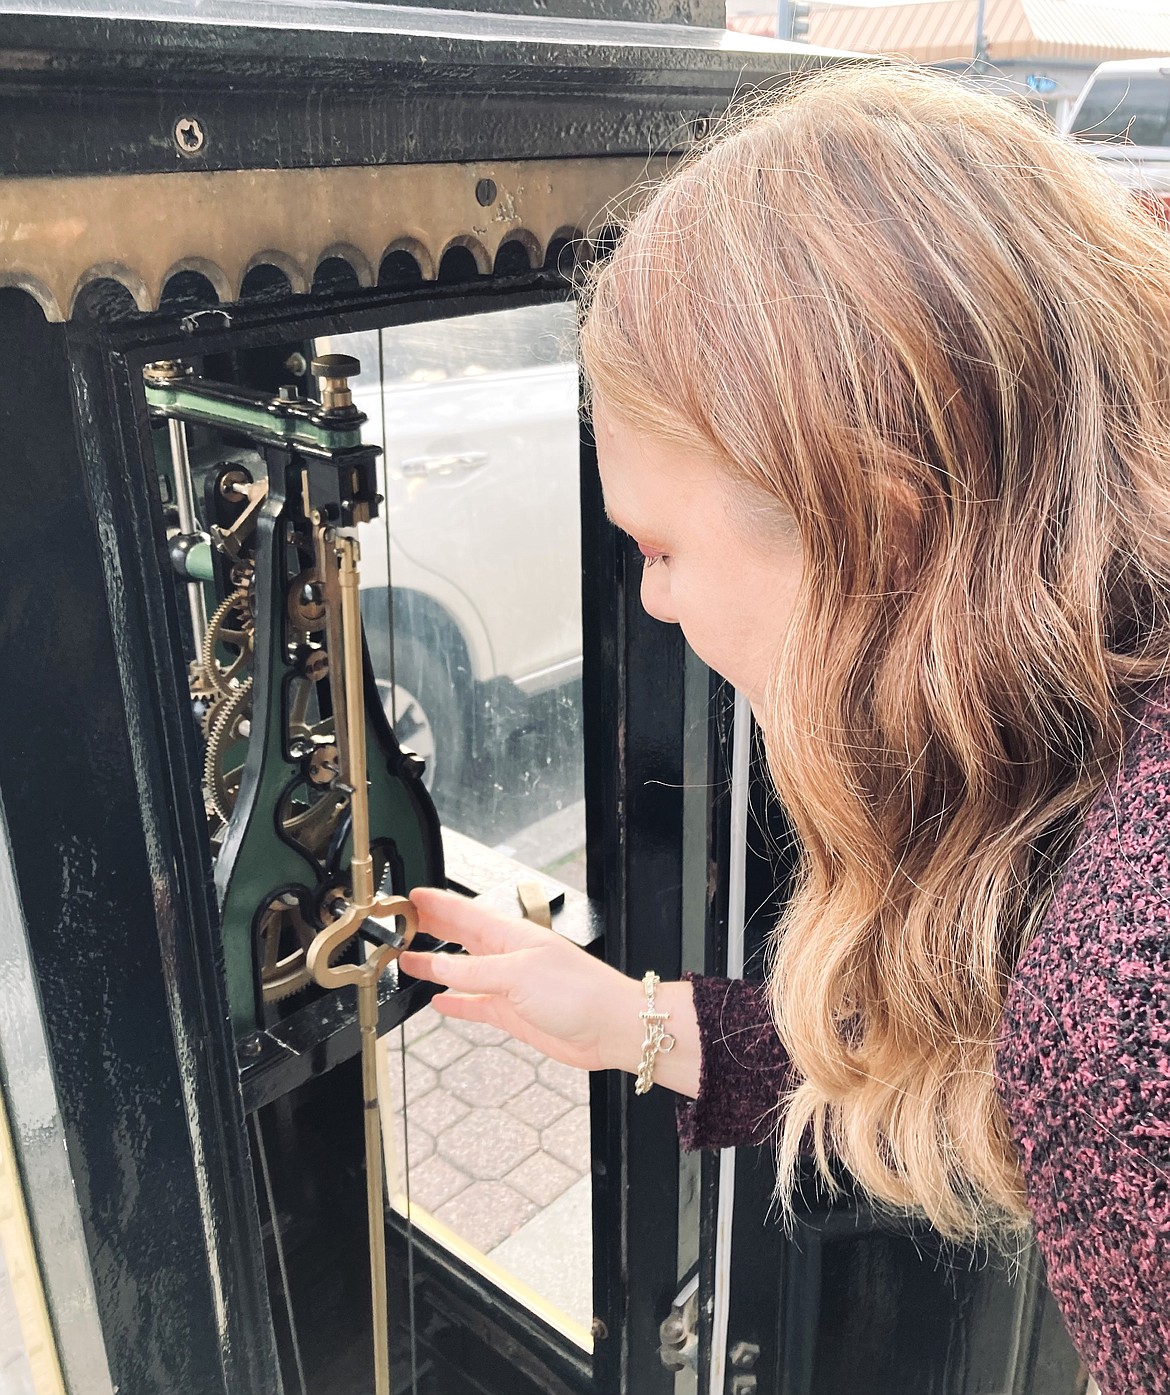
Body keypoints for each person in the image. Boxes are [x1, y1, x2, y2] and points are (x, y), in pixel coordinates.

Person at [397, 63, 1170, 1394]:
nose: (647, 595)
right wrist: (631, 1021)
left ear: (877, 526)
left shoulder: (1124, 1005)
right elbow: (974, 1031)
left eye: (656, 544)